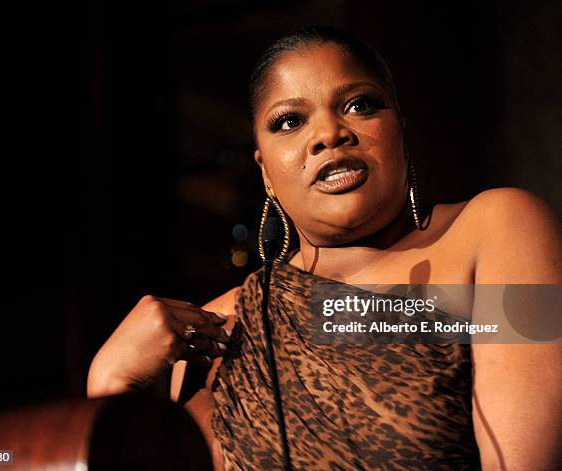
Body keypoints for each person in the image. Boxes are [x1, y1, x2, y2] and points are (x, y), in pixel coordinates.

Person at [87, 25, 562, 470]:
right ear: (265, 171)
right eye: (290, 121)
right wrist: (109, 390)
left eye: (360, 105)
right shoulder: (214, 335)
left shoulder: (497, 227)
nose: (330, 134)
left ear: (400, 130)